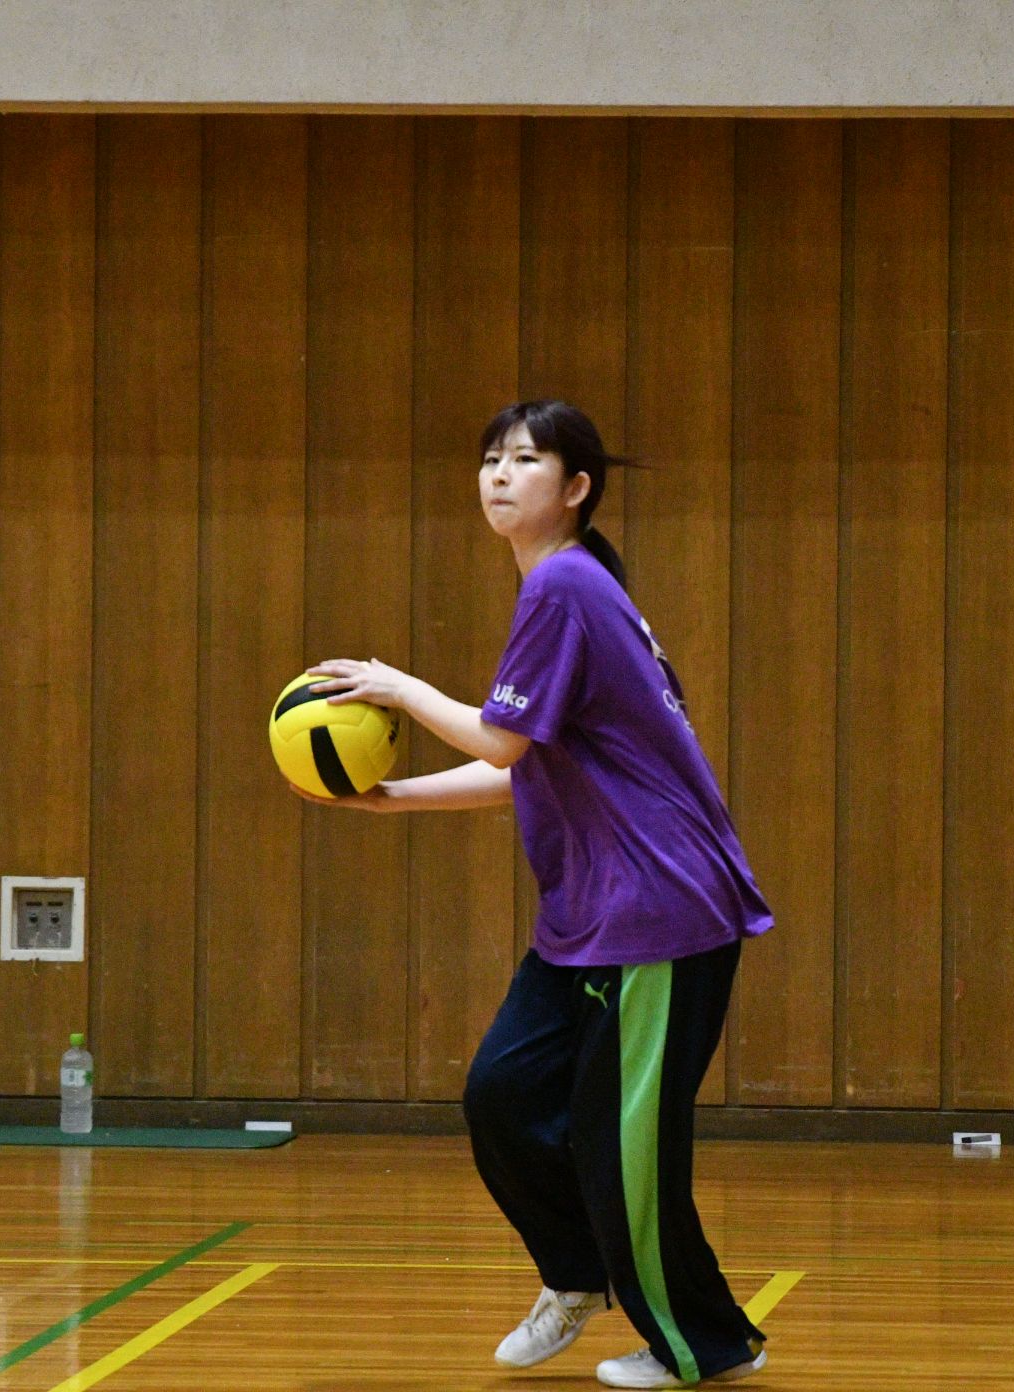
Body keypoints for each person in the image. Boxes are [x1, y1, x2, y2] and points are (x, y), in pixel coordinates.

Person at [300, 399, 773, 1388]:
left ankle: (701, 1344)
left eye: (524, 459)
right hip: (590, 918)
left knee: (621, 1145)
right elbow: (532, 765)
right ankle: (577, 1273)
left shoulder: (564, 583)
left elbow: (504, 739)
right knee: (505, 1094)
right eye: (489, 460)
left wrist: (398, 688)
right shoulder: (570, 586)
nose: (499, 475)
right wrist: (392, 799)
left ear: (577, 487)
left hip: (659, 911)